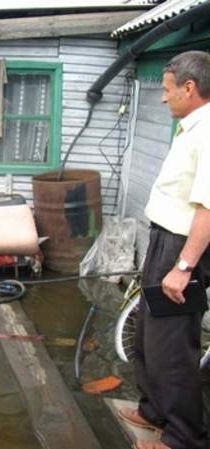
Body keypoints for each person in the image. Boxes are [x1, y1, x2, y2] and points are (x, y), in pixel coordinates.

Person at [118, 50, 210, 449]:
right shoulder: (190, 126)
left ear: (190, 88)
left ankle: (184, 437)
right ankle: (154, 411)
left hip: (182, 248)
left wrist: (185, 266)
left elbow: (209, 207)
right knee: (148, 336)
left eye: (167, 89)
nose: (162, 97)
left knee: (172, 347)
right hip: (163, 240)